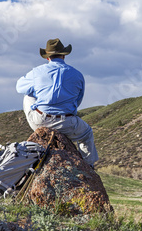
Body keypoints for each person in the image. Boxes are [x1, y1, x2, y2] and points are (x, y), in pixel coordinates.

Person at [16, 38, 98, 167]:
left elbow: (19, 87)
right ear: (64, 55)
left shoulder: (37, 72)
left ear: (47, 57)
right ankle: (88, 165)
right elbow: (78, 101)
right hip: (67, 123)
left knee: (28, 95)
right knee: (87, 134)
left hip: (40, 121)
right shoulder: (77, 74)